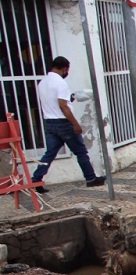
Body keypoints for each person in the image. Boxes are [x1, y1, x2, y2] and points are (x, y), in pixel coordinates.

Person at [30, 56, 104, 193]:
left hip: (49, 123)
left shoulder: (42, 82)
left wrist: (71, 98)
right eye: (67, 70)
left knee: (49, 154)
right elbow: (63, 106)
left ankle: (36, 180)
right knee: (81, 152)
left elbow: (54, 102)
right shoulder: (60, 83)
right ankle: (91, 178)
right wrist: (75, 124)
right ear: (64, 68)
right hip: (63, 123)